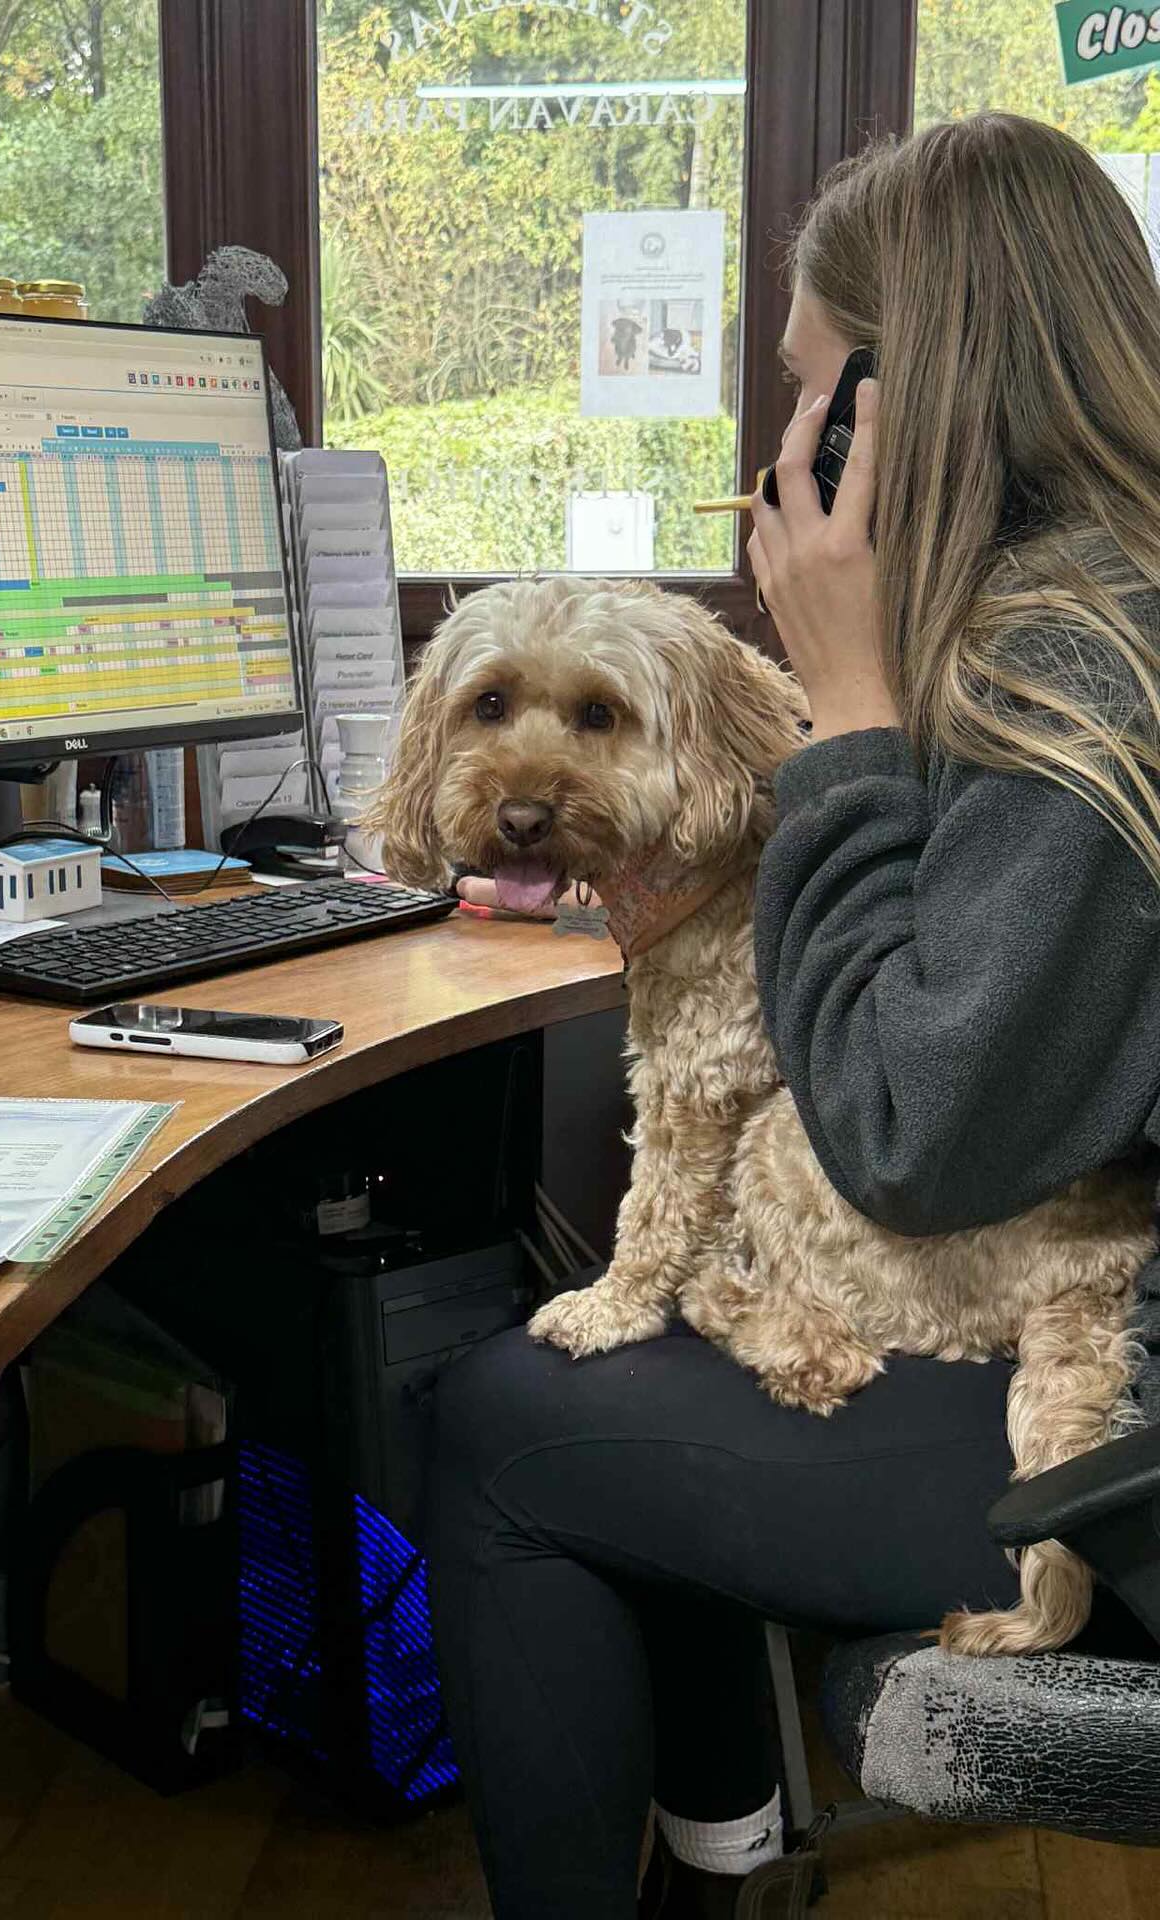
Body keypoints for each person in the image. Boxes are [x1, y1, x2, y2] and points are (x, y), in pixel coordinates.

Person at [423, 112, 1160, 1920]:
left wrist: (844, 703)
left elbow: (908, 1135)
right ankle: (730, 1862)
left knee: (505, 1427)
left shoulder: (1079, 669)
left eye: (808, 394)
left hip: (1118, 1412)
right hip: (1094, 1289)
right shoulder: (1090, 612)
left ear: (894, 419)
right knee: (643, 1352)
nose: (779, 455)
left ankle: (708, 1873)